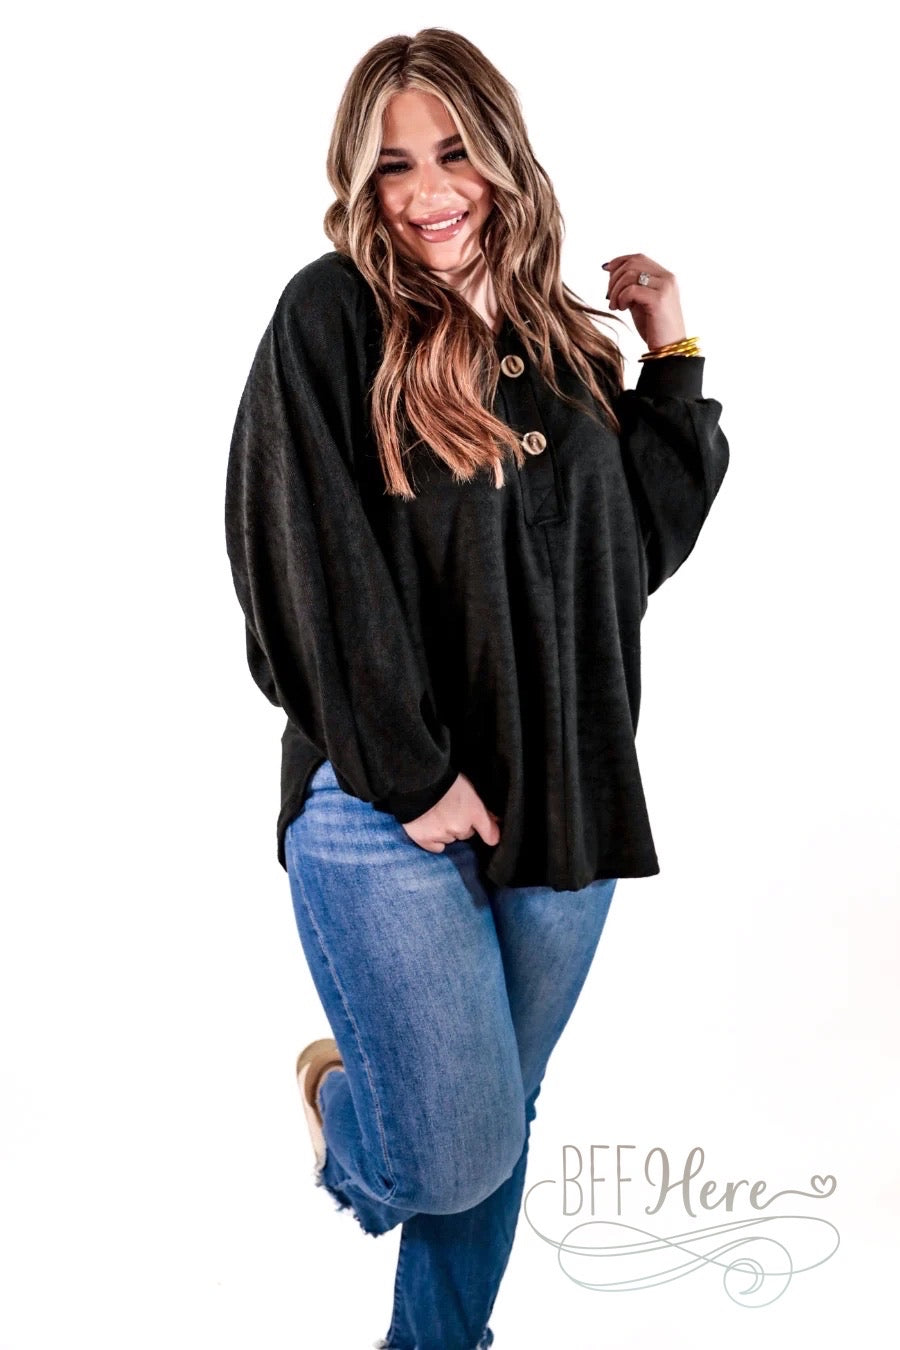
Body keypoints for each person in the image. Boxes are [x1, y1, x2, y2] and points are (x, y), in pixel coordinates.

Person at [224, 27, 729, 1350]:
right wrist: (409, 772)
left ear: (502, 156)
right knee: (449, 1155)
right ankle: (348, 1107)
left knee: (499, 1126)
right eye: (393, 164)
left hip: (562, 803)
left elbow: (632, 551)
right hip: (384, 805)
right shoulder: (330, 316)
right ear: (360, 180)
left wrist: (672, 357)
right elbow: (299, 560)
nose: (428, 190)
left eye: (452, 153)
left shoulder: (557, 341)